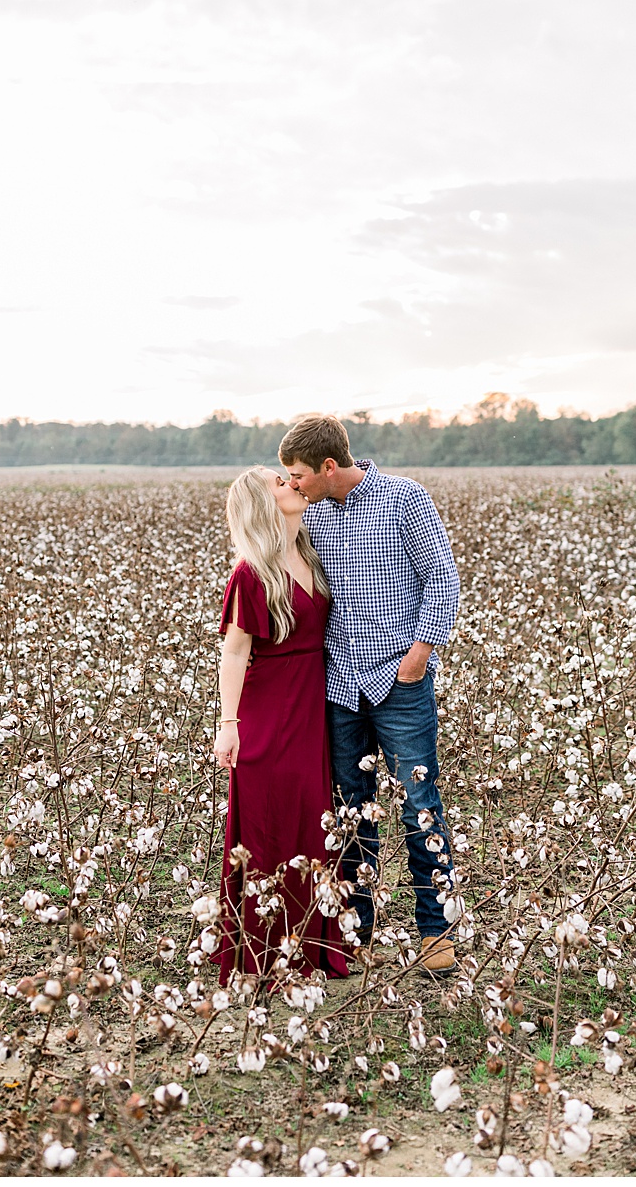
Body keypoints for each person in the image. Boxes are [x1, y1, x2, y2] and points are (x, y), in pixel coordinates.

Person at [279, 414, 462, 975]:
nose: (292, 484)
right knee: (352, 811)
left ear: (328, 467)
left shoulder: (403, 498)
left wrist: (421, 651)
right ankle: (357, 929)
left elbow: (442, 577)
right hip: (337, 684)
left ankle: (436, 933)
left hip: (398, 679)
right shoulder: (306, 514)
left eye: (298, 475)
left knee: (420, 805)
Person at [212, 467, 351, 986]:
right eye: (279, 482)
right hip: (268, 709)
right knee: (270, 824)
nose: (292, 483)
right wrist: (229, 724)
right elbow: (234, 653)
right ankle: (264, 948)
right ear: (261, 504)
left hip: (313, 702)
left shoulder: (312, 553)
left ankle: (310, 945)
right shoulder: (250, 572)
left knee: (311, 819)